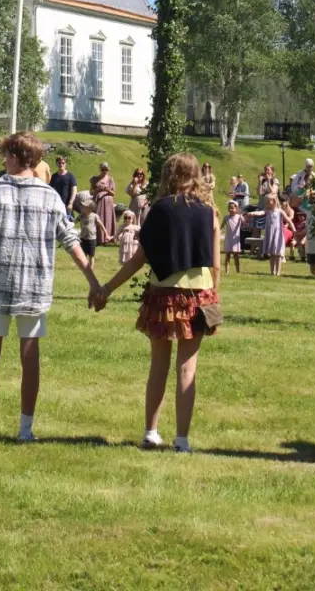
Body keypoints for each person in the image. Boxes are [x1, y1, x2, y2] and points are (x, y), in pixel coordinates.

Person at [0, 132, 100, 445]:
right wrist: (94, 282)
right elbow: (71, 241)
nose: (4, 159)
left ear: (16, 157)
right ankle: (25, 430)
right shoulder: (51, 196)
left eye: (6, 155)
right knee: (30, 360)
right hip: (35, 288)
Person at [91, 152, 220, 454]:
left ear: (170, 175)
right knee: (188, 370)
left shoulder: (160, 210)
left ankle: (151, 432)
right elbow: (215, 264)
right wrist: (216, 296)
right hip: (199, 295)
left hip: (164, 294)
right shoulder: (210, 212)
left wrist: (106, 288)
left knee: (158, 367)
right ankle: (183, 440)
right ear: (196, 175)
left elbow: (139, 259)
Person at [261, 192, 293, 276]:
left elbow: (288, 219)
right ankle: (272, 271)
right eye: (266, 202)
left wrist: (293, 228)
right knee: (272, 254)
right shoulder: (267, 211)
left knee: (278, 254)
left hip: (278, 234)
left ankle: (278, 272)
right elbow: (260, 213)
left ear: (274, 201)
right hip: (270, 234)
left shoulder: (279, 211)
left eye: (268, 201)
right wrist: (252, 213)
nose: (267, 203)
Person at [76, 191, 111, 268]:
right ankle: (84, 266)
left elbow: (101, 226)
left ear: (90, 208)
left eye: (84, 207)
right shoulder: (81, 216)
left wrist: (106, 234)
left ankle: (91, 268)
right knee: (84, 254)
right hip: (83, 237)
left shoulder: (94, 216)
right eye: (82, 206)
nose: (82, 208)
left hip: (92, 238)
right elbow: (73, 222)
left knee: (91, 255)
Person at [93, 162, 116, 244]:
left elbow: (113, 193)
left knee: (108, 219)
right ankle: (99, 238)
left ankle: (108, 238)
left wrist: (107, 190)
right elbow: (91, 192)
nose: (104, 171)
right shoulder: (95, 179)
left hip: (108, 202)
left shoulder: (110, 179)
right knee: (99, 218)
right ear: (100, 170)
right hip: (98, 202)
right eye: (103, 169)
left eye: (106, 170)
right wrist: (97, 190)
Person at [50, 155, 77, 220]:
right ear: (56, 164)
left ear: (65, 164)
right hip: (57, 205)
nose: (61, 164)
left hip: (67, 205)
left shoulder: (70, 176)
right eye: (59, 163)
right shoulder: (54, 176)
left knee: (68, 224)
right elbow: (51, 190)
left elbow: (74, 190)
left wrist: (71, 203)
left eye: (63, 163)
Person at [223, 201, 243, 274]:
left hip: (235, 240)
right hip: (228, 239)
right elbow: (222, 226)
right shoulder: (226, 217)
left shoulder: (238, 217)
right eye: (229, 208)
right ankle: (227, 271)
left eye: (232, 208)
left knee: (236, 256)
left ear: (236, 209)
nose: (230, 209)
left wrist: (242, 218)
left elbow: (244, 222)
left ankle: (238, 270)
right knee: (227, 255)